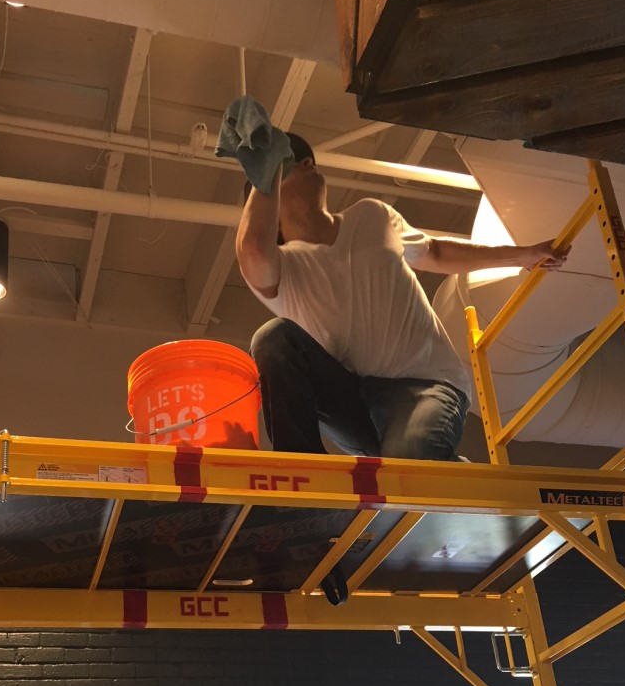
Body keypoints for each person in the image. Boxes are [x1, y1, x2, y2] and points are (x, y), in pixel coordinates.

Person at [235, 133, 569, 461]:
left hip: (426, 387)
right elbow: (253, 249)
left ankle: (436, 465)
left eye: (287, 167)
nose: (304, 167)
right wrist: (266, 168)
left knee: (410, 458)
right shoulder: (283, 269)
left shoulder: (371, 216)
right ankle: (302, 469)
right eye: (279, 172)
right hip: (356, 405)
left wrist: (521, 256)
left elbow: (435, 252)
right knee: (273, 337)